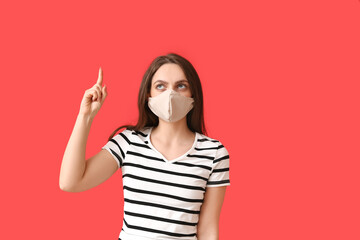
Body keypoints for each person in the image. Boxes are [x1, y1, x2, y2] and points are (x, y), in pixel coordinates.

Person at [59, 53, 230, 240]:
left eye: (181, 86)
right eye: (160, 86)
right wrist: (85, 116)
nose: (170, 94)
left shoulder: (214, 153)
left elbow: (208, 230)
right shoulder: (129, 141)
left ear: (193, 94)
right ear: (149, 95)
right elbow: (70, 182)